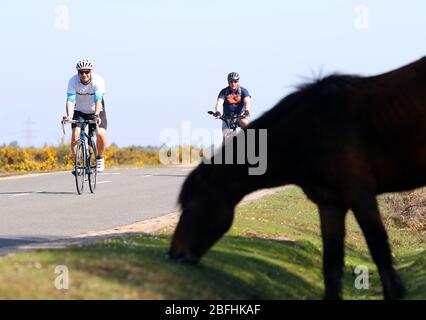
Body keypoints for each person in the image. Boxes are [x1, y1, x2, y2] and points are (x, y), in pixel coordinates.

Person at [63, 59, 107, 173]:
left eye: (87, 72)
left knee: (100, 134)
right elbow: (70, 100)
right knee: (75, 135)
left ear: (91, 71)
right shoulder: (73, 81)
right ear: (78, 72)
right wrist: (69, 116)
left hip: (95, 110)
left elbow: (98, 99)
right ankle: (76, 163)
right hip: (79, 110)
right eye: (81, 72)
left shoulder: (98, 80)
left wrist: (96, 115)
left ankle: (100, 158)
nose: (84, 74)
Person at [213, 72, 251, 138]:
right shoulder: (224, 91)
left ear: (238, 82)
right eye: (231, 81)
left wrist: (247, 111)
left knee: (246, 124)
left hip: (240, 115)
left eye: (235, 81)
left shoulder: (243, 91)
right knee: (226, 137)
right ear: (228, 82)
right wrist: (217, 111)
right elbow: (219, 102)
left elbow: (247, 101)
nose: (233, 83)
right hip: (227, 117)